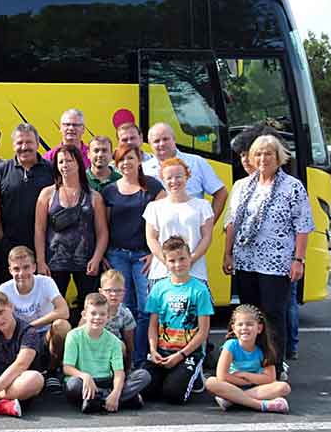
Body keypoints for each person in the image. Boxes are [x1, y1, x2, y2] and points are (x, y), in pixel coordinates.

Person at [223, 134, 312, 378]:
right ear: (252, 157)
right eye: (258, 154)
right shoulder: (242, 186)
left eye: (268, 153)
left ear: (278, 157)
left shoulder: (292, 187)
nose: (263, 158)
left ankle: (275, 363)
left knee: (273, 313)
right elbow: (232, 222)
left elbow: (302, 225)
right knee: (249, 313)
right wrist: (227, 253)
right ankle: (249, 361)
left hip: (276, 262)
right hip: (246, 259)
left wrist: (299, 259)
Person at [101, 143, 165, 365]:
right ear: (116, 164)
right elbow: (104, 225)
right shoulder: (109, 190)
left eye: (131, 158)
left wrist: (155, 253)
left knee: (146, 308)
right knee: (123, 308)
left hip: (144, 257)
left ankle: (141, 358)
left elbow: (163, 224)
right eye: (121, 160)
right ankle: (123, 360)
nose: (126, 163)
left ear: (139, 160)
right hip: (117, 255)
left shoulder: (153, 187)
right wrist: (103, 254)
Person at [34, 145, 108, 307]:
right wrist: (40, 261)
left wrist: (96, 258)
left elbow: (102, 232)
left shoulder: (94, 196)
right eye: (61, 162)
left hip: (86, 262)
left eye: (69, 161)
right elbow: (39, 230)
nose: (64, 165)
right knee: (53, 308)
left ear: (79, 163)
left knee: (90, 307)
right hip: (54, 261)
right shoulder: (47, 194)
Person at [142, 236, 213, 405]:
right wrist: (153, 350)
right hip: (163, 350)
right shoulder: (159, 288)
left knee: (173, 395)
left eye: (182, 259)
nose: (178, 264)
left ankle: (193, 376)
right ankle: (168, 375)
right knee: (144, 390)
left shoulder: (200, 290)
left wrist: (181, 355)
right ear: (165, 262)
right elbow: (153, 324)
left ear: (190, 258)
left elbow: (203, 332)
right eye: (172, 260)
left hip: (187, 353)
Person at [0, 246, 70, 393]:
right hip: (19, 336)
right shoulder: (4, 289)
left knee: (62, 326)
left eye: (26, 267)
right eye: (16, 269)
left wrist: (31, 325)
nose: (21, 273)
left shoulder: (46, 282)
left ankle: (52, 371)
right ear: (10, 270)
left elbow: (64, 311)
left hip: (44, 334)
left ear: (34, 267)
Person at [63, 293, 151, 412]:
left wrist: (115, 393)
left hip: (106, 381)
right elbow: (67, 368)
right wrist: (84, 376)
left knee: (143, 375)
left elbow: (119, 373)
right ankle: (124, 399)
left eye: (102, 314)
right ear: (84, 315)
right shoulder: (73, 336)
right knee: (72, 385)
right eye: (93, 313)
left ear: (108, 316)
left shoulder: (114, 341)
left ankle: (99, 401)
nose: (97, 317)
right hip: (84, 381)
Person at [0, 123, 55, 288]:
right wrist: (0, 237)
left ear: (37, 143)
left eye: (29, 142)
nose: (24, 147)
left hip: (44, 249)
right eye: (19, 143)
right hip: (7, 249)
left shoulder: (52, 170)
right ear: (13, 145)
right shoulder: (1, 171)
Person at [205, 304, 291, 413]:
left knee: (283, 387)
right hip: (232, 386)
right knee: (211, 382)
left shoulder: (264, 348)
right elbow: (222, 376)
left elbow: (270, 378)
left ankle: (233, 400)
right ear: (233, 328)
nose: (244, 328)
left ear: (259, 328)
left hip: (255, 388)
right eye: (240, 325)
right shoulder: (230, 345)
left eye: (249, 324)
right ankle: (261, 405)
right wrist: (248, 381)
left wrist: (245, 375)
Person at [143, 158, 214, 287]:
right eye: (169, 178)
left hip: (195, 272)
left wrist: (189, 260)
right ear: (163, 180)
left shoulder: (203, 206)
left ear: (187, 176)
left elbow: (207, 237)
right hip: (161, 273)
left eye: (179, 176)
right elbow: (151, 239)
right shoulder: (153, 207)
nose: (174, 181)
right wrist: (168, 262)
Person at [143, 122, 228, 222]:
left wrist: (208, 225)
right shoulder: (144, 169)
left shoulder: (196, 162)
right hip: (158, 234)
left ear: (174, 139)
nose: (161, 144)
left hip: (193, 233)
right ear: (150, 144)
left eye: (165, 139)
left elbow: (221, 192)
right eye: (156, 141)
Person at [86, 269, 137, 370]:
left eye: (118, 291)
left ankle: (120, 374)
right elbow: (80, 332)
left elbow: (129, 343)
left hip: (112, 351)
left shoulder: (125, 313)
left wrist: (128, 366)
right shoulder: (92, 309)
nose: (114, 294)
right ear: (101, 291)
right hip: (91, 347)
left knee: (121, 345)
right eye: (109, 291)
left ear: (124, 292)